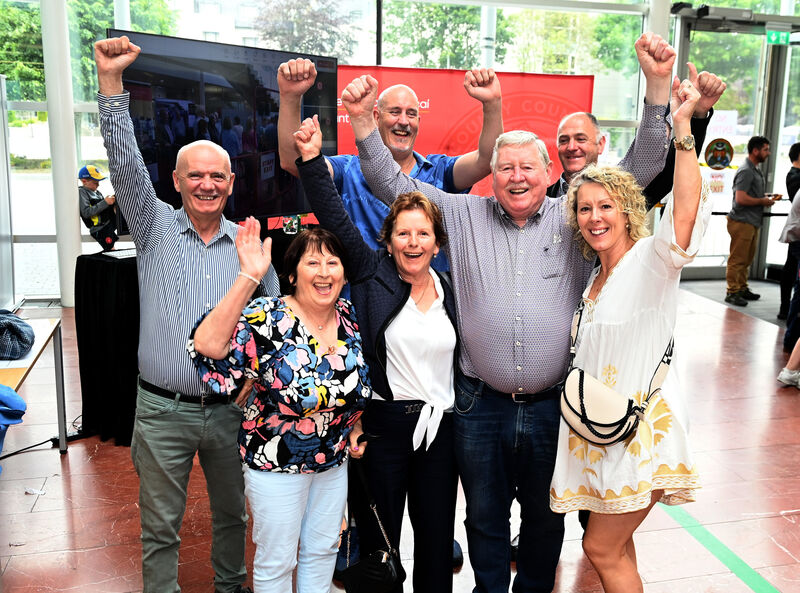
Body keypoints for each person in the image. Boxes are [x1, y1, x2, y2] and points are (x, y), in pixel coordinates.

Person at [338, 31, 677, 593]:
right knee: (483, 521)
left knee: (547, 522)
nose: (516, 177)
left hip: (553, 408)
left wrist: (658, 89)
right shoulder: (463, 215)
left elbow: (636, 171)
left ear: (549, 173)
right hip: (479, 405)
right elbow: (389, 182)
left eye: (528, 167)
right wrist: (363, 126)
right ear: (491, 176)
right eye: (505, 168)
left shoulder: (572, 215)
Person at [94, 36, 279, 593]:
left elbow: (271, 327)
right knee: (160, 529)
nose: (207, 184)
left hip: (229, 412)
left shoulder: (249, 244)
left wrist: (255, 380)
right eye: (194, 175)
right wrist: (111, 85)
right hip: (162, 410)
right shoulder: (152, 228)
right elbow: (125, 163)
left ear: (230, 184)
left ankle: (230, 588)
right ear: (176, 182)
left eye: (217, 176)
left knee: (233, 518)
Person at [549, 77, 709, 593]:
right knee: (618, 548)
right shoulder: (594, 277)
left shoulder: (651, 261)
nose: (595, 218)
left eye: (605, 206)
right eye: (585, 208)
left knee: (599, 547)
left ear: (627, 211)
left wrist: (683, 128)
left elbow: (684, 211)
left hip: (642, 432)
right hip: (603, 432)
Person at [293, 114, 459, 593]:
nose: (413, 242)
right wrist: (310, 160)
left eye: (423, 234)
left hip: (440, 433)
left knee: (435, 544)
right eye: (403, 233)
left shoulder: (449, 288)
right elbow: (334, 217)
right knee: (378, 546)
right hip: (382, 431)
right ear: (387, 240)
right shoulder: (371, 274)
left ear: (437, 242)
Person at [189, 222, 370, 593]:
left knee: (323, 550)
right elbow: (207, 346)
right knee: (277, 561)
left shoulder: (348, 317)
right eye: (313, 263)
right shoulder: (267, 317)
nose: (324, 273)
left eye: (333, 263)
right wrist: (248, 276)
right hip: (275, 463)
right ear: (291, 274)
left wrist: (354, 423)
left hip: (333, 461)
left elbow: (352, 381)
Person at [277, 59, 503, 272]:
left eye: (411, 114)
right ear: (376, 117)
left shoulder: (439, 171)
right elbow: (295, 161)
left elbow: (486, 160)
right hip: (362, 304)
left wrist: (492, 104)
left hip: (427, 305)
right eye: (394, 112)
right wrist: (290, 97)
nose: (403, 121)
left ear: (418, 122)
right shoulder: (347, 170)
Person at [724, 135, 780, 307]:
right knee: (738, 259)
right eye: (765, 149)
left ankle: (741, 288)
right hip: (742, 221)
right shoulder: (747, 171)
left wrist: (766, 197)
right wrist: (763, 201)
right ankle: (732, 292)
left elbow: (748, 195)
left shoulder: (754, 169)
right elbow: (740, 198)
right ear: (755, 150)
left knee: (746, 259)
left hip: (751, 221)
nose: (768, 153)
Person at [779, 142, 800, 320]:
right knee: (791, 271)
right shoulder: (794, 176)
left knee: (791, 269)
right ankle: (786, 308)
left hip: (796, 230)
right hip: (797, 232)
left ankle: (786, 308)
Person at [78, 164, 118, 250]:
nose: (98, 185)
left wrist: (112, 201)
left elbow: (103, 208)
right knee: (111, 250)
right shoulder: (82, 192)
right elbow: (86, 212)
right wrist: (105, 202)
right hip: (100, 229)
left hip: (108, 223)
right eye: (95, 182)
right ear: (84, 181)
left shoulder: (97, 192)